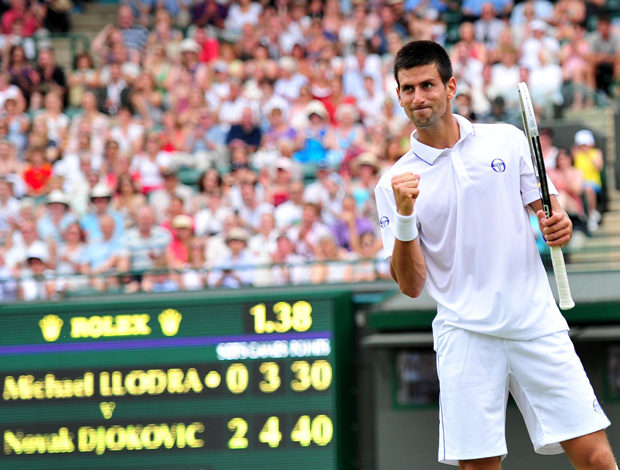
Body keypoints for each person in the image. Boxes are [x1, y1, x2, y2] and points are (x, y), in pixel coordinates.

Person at [374, 40, 615, 470]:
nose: (417, 97)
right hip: (465, 335)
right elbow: (410, 286)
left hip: (535, 322)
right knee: (479, 468)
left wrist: (556, 224)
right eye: (407, 89)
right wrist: (406, 217)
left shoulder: (506, 140)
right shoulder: (393, 183)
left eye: (427, 85)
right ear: (398, 95)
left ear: (450, 88)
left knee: (596, 458)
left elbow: (550, 214)